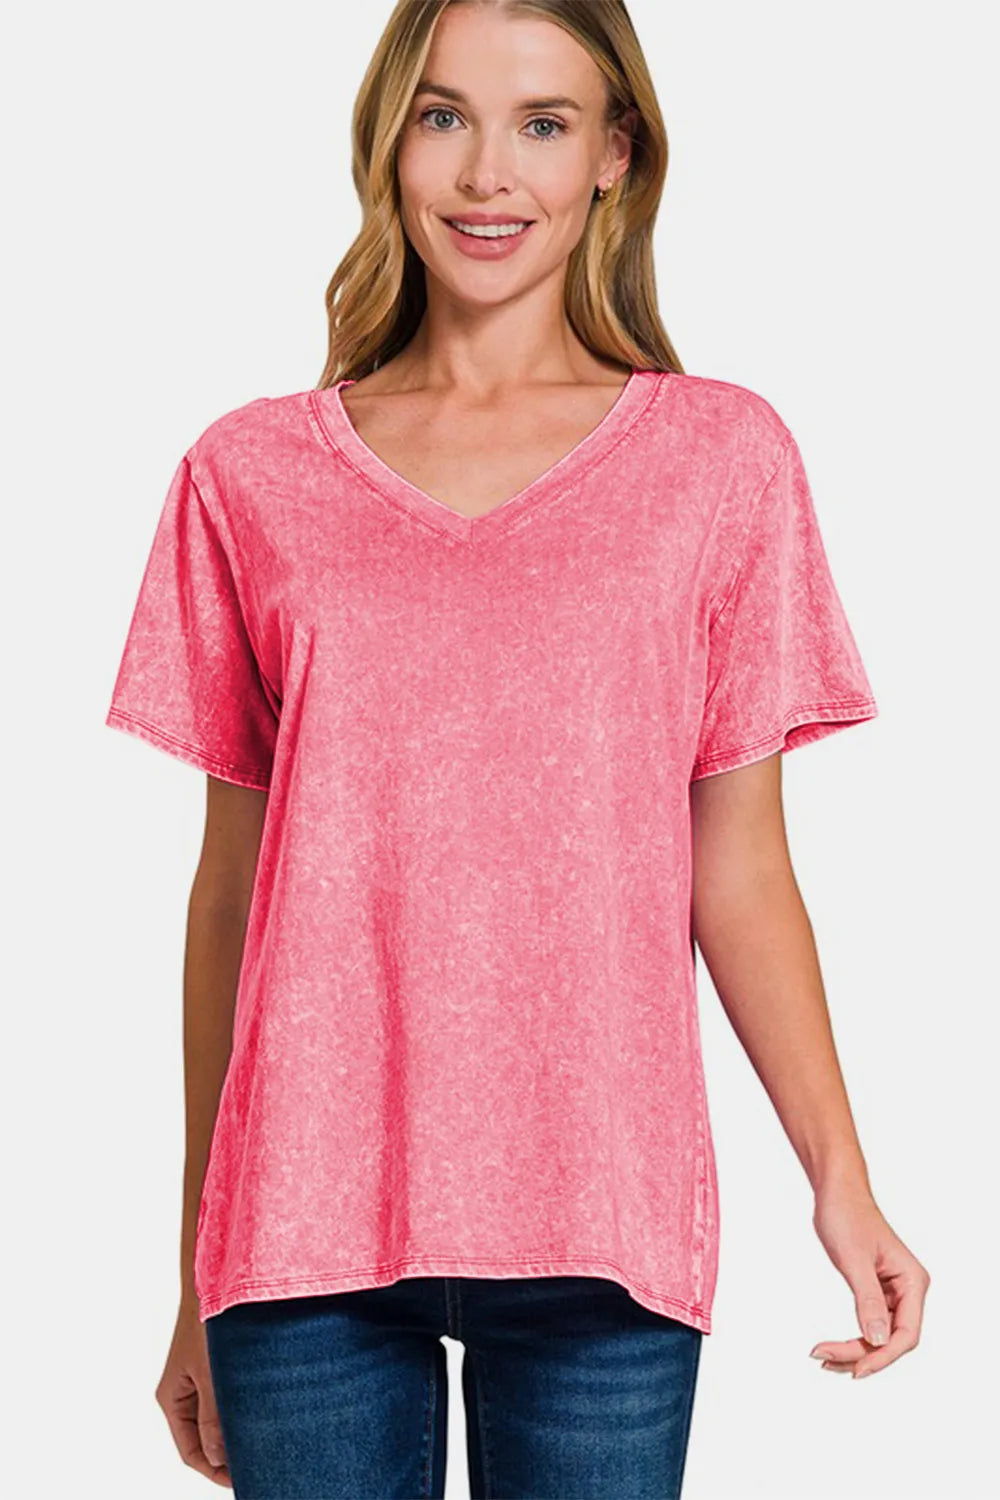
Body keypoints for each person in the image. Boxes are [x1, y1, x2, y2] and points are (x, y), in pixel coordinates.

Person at [104, 1, 930, 1496]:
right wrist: (193, 1269)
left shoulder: (718, 460)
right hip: (301, 1229)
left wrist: (843, 1181)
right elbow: (231, 902)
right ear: (390, 142)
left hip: (604, 1215)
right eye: (444, 115)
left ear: (615, 155)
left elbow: (741, 868)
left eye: (543, 122)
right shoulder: (251, 472)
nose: (488, 172)